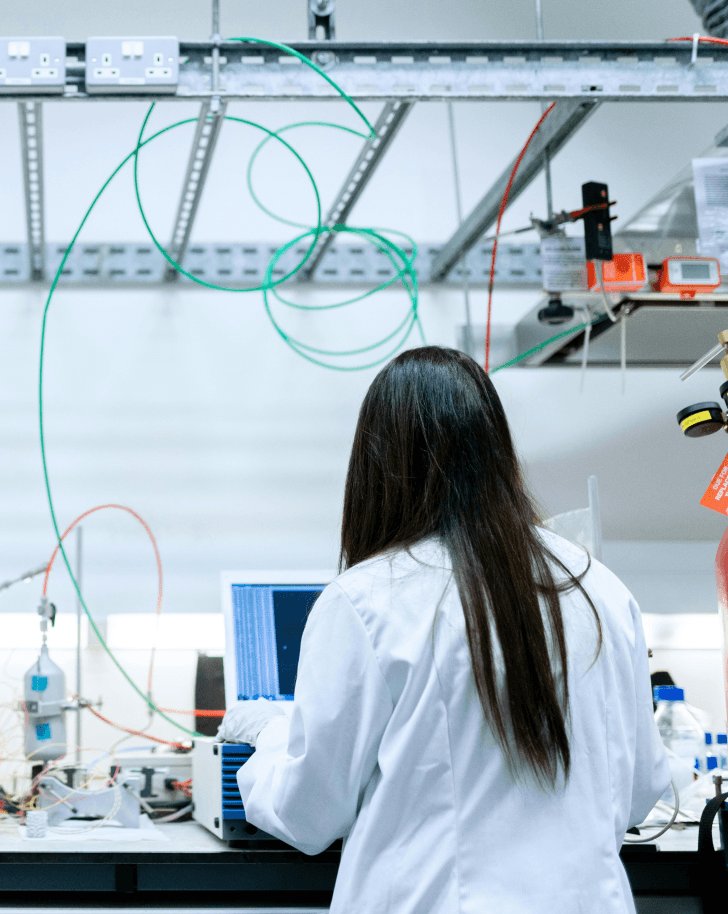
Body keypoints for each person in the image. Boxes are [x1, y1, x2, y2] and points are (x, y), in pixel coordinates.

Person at [220, 346, 668, 914]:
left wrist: (268, 737)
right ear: (498, 450)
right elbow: (637, 793)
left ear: (377, 466)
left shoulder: (368, 600)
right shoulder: (596, 587)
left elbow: (309, 813)